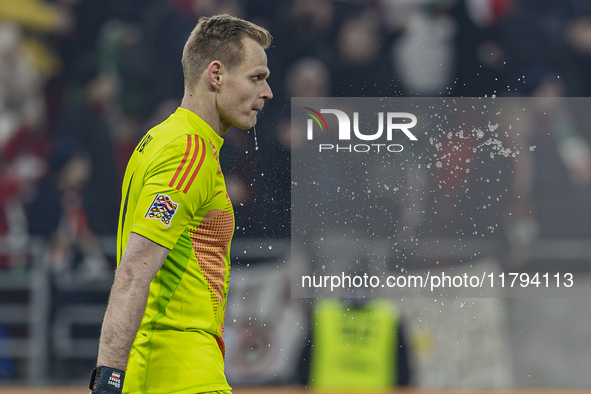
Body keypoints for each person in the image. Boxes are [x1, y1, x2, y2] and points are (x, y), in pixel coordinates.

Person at [89, 14, 273, 394]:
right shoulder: (188, 154)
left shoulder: (162, 139)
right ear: (216, 74)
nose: (267, 91)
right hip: (181, 374)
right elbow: (134, 270)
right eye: (256, 77)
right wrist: (107, 383)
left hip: (163, 371)